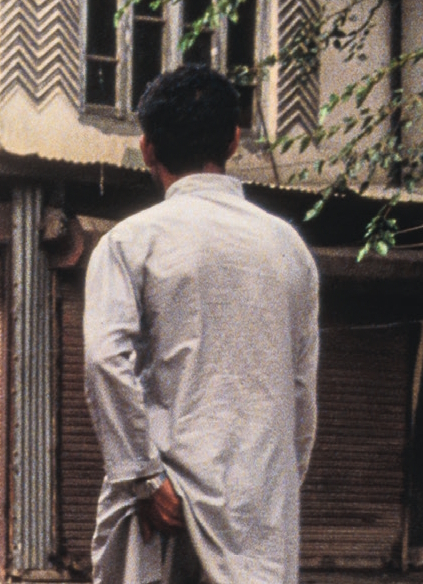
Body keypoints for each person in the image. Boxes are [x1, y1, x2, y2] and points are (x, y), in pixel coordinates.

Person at [84, 65, 319, 584]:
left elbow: (104, 360)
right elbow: (301, 391)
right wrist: (274, 489)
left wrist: (144, 479)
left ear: (147, 148)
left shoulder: (130, 243)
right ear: (234, 140)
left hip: (165, 506)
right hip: (258, 514)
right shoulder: (289, 249)